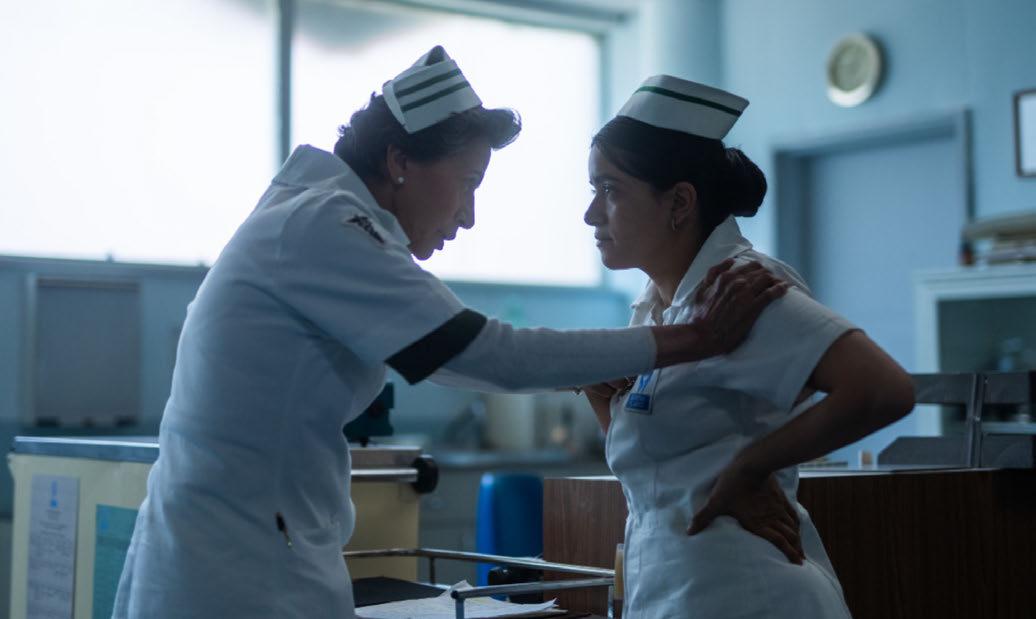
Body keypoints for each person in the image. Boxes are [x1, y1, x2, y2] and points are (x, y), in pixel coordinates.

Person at [111, 49, 787, 618]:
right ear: (399, 160)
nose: (468, 216)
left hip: (250, 555)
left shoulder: (315, 221)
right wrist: (691, 337)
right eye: (468, 183)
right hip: (237, 573)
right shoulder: (323, 225)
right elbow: (486, 353)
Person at [580, 75, 916, 618]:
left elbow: (883, 390)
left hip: (754, 595)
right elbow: (659, 472)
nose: (591, 214)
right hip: (682, 594)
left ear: (679, 202)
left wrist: (751, 468)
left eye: (610, 190)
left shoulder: (742, 289)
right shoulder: (656, 306)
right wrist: (599, 392)